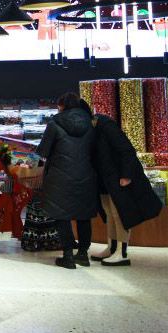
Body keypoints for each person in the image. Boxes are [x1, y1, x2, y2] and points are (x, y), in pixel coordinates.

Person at [88, 105, 163, 266]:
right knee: (109, 213)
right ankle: (112, 247)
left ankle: (122, 252)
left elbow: (127, 150)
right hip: (104, 180)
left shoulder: (106, 126)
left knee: (120, 213)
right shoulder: (93, 130)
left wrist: (126, 175)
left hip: (117, 178)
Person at [37, 92, 99, 269]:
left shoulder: (55, 123)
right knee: (84, 215)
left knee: (61, 214)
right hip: (86, 174)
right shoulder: (90, 123)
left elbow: (43, 151)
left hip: (60, 176)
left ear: (62, 106)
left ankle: (68, 256)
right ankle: (83, 255)